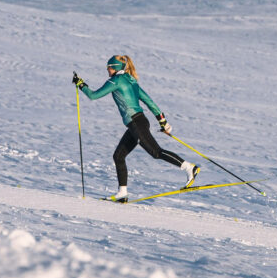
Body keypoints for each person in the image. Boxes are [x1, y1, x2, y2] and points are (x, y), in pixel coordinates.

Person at [72, 55, 199, 202]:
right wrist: (162, 121)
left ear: (115, 67)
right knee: (118, 156)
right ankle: (122, 193)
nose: (107, 70)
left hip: (136, 123)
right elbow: (149, 101)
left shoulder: (115, 80)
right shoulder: (131, 80)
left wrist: (80, 84)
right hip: (139, 122)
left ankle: (189, 168)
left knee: (156, 152)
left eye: (109, 67)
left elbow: (94, 96)